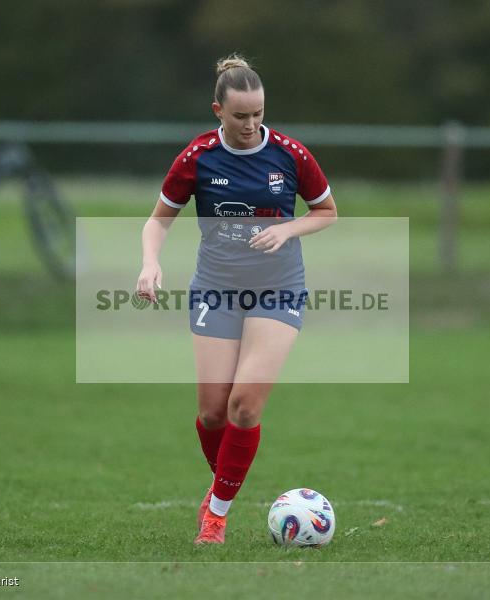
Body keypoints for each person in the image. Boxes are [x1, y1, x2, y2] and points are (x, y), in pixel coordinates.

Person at [136, 54, 338, 544]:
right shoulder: (197, 157)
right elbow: (158, 220)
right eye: (240, 115)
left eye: (258, 114)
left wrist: (287, 229)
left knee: (244, 406)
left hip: (278, 288)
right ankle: (224, 483)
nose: (251, 125)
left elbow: (327, 211)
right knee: (212, 412)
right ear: (218, 111)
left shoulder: (290, 155)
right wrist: (150, 263)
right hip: (216, 289)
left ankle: (216, 515)